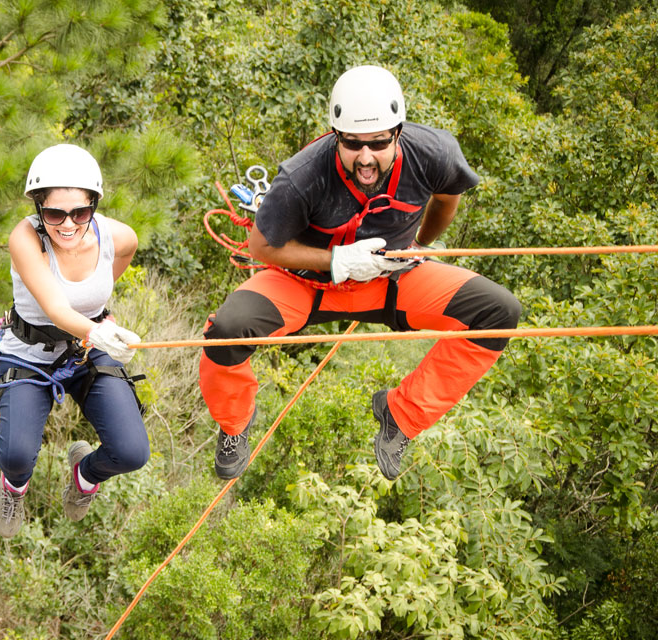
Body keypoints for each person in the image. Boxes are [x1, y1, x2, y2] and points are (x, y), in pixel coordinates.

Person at [200, 65, 521, 481]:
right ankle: (234, 424)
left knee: (498, 312)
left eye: (378, 143)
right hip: (305, 284)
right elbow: (262, 246)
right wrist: (336, 261)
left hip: (392, 281)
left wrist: (420, 246)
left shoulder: (434, 153)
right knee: (227, 328)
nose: (365, 157)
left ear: (398, 133)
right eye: (352, 144)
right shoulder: (303, 176)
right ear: (336, 136)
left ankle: (400, 414)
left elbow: (447, 197)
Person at [0, 143, 150, 537]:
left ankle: (84, 477)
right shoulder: (25, 239)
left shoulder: (118, 237)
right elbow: (57, 309)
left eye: (79, 212)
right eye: (54, 213)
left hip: (85, 352)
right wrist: (98, 331)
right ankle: (14, 488)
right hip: (30, 353)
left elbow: (113, 269)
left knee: (130, 453)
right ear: (38, 209)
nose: (67, 224)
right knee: (15, 456)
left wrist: (101, 316)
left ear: (94, 205)